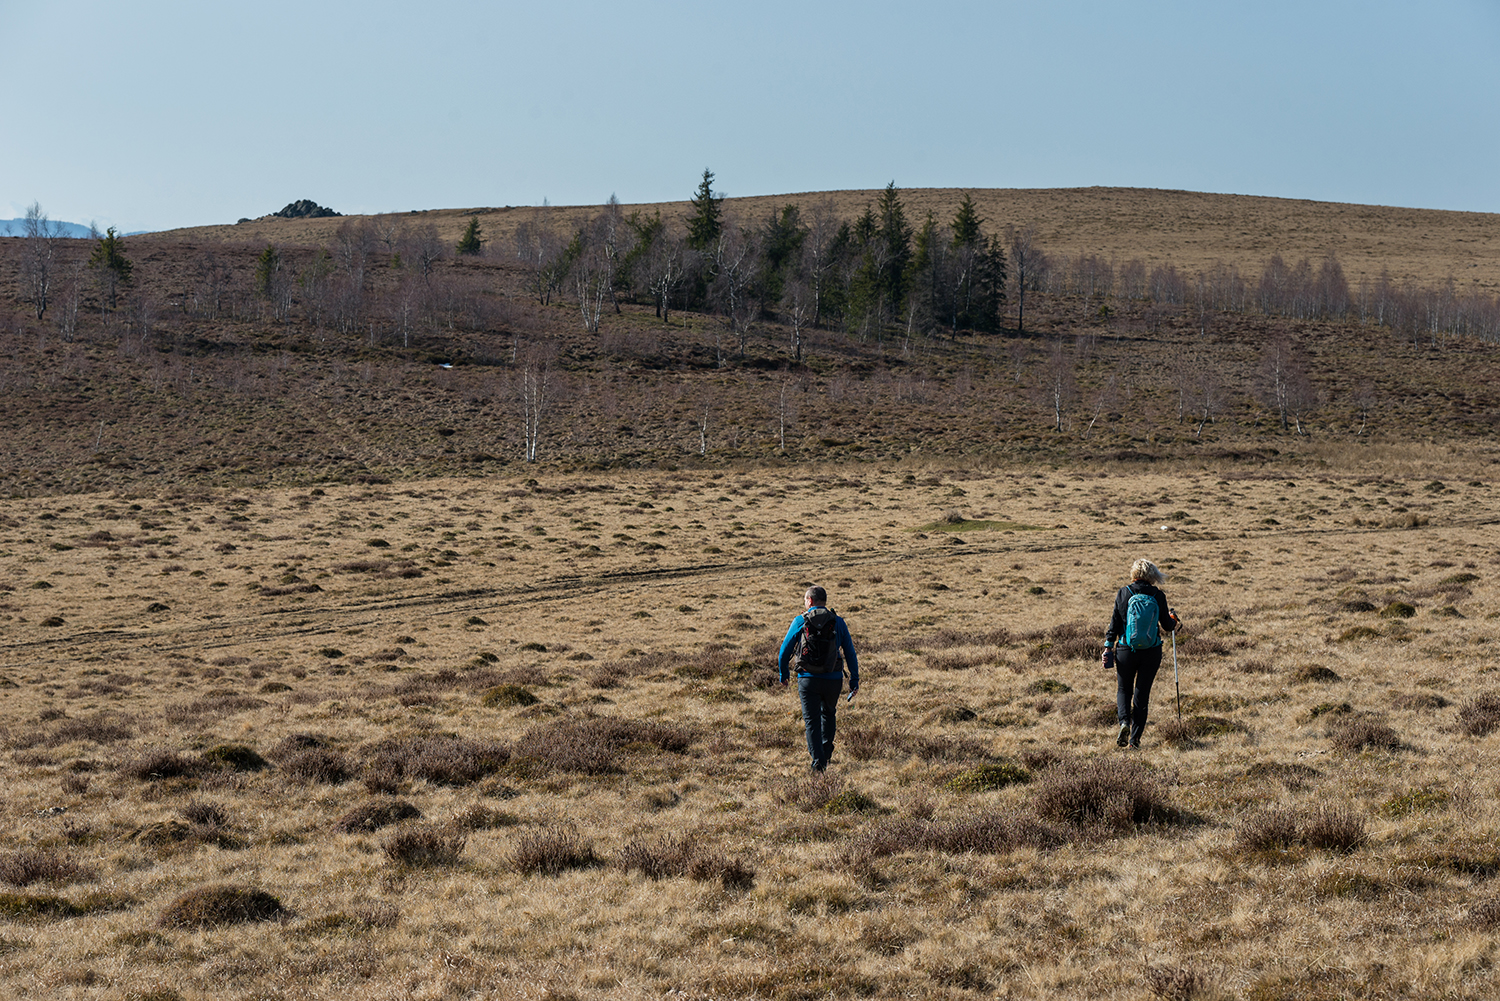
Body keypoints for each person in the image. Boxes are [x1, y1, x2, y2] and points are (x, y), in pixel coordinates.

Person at [778, 585, 859, 772]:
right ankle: (826, 754)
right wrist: (854, 680)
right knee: (829, 714)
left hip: (808, 679)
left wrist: (784, 674)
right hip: (833, 678)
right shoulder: (838, 621)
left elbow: (784, 651)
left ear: (810, 601)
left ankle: (818, 763)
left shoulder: (800, 620)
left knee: (811, 721)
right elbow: (850, 652)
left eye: (805, 600)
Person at [1102, 558, 1180, 749]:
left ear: (1134, 573)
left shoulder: (1124, 592)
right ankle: (1134, 741)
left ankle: (1124, 723)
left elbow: (1114, 623)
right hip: (1151, 652)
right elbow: (1167, 626)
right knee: (1142, 695)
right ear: (1152, 575)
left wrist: (1108, 646)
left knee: (1123, 690)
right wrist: (1173, 619)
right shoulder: (1157, 595)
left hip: (1125, 650)